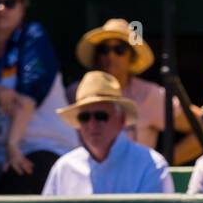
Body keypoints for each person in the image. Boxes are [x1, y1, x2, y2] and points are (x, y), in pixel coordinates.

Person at [0, 0, 74, 194]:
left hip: (44, 149)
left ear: (23, 6)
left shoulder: (34, 37)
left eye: (9, 3)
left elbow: (29, 97)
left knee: (17, 182)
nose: (1, 9)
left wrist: (13, 144)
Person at [65, 17, 203, 163]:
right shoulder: (74, 93)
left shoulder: (150, 94)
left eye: (119, 49)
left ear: (131, 57)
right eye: (104, 49)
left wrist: (160, 164)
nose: (110, 56)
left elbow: (202, 128)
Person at [41, 72, 174, 195]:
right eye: (84, 117)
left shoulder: (149, 165)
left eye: (101, 116)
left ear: (121, 119)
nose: (92, 124)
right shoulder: (64, 168)